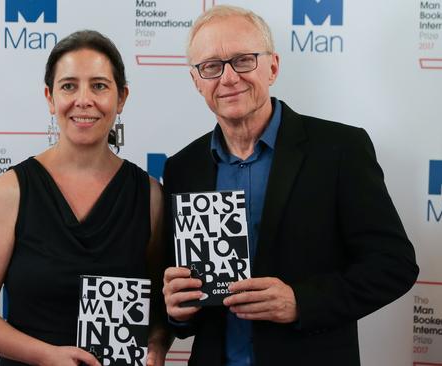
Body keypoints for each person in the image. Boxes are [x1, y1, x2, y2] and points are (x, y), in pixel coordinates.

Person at [161, 5, 419, 366]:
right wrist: (178, 310)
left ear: (273, 67)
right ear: (197, 81)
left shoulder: (340, 149)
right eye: (211, 67)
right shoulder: (181, 168)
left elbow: (394, 266)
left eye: (243, 60)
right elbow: (187, 304)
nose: (229, 77)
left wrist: (301, 302)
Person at [0, 30, 169, 366]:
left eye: (99, 85)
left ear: (121, 98)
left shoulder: (150, 195)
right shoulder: (11, 190)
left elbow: (160, 306)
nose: (83, 100)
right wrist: (47, 356)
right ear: (50, 97)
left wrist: (157, 347)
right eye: (69, 85)